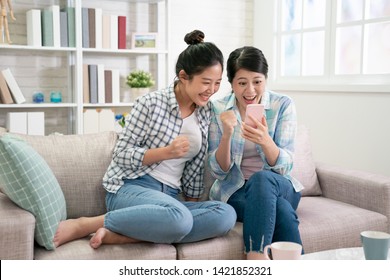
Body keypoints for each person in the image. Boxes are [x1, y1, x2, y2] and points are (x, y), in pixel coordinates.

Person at [53, 30, 236, 249]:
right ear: (184, 76)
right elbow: (120, 155)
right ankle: (86, 224)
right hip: (131, 188)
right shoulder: (150, 104)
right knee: (180, 218)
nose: (212, 91)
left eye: (217, 83)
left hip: (169, 197)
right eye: (206, 82)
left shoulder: (205, 112)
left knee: (225, 215)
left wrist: (191, 204)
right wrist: (165, 152)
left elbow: (194, 170)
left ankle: (126, 234)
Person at [207, 46, 304, 260]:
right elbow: (218, 172)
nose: (250, 91)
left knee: (262, 180)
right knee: (282, 211)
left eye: (257, 82)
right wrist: (227, 135)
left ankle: (254, 263)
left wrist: (266, 141)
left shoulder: (283, 105)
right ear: (231, 83)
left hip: (280, 185)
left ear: (265, 80)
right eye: (242, 83)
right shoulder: (218, 108)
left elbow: (285, 166)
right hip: (236, 190)